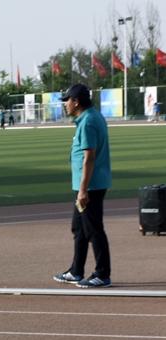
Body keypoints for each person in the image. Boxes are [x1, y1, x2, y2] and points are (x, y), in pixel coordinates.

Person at [53, 84, 112, 288]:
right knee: (79, 228)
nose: (65, 105)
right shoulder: (93, 117)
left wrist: (83, 190)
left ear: (76, 101)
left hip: (90, 187)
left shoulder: (88, 121)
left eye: (67, 101)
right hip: (87, 185)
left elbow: (89, 159)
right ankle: (76, 271)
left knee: (94, 230)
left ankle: (103, 274)